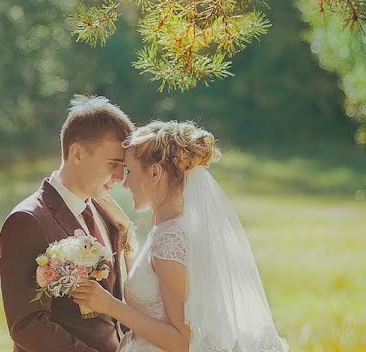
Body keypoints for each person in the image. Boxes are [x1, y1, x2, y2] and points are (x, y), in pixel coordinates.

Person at [72, 121, 288, 352]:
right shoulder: (175, 229)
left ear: (154, 172)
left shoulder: (170, 239)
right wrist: (125, 233)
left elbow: (184, 342)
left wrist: (110, 306)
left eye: (129, 171)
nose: (125, 183)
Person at [0, 95, 138, 352]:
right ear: (77, 154)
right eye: (113, 164)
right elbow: (27, 325)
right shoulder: (27, 221)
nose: (120, 176)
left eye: (124, 167)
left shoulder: (107, 213)